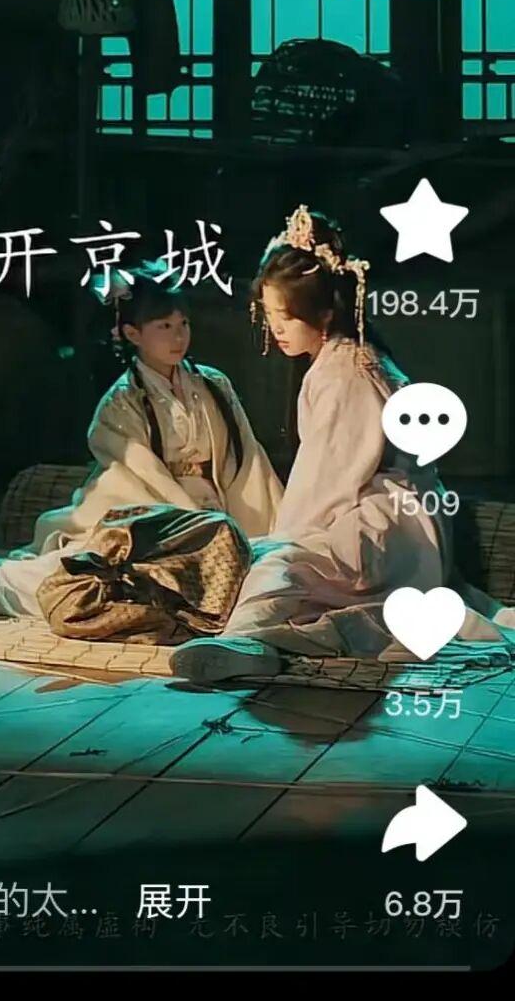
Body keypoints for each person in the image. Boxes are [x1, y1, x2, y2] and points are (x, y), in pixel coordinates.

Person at [172, 205, 515, 685]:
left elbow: (329, 478)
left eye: (286, 317)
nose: (276, 329)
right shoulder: (345, 359)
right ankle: (256, 640)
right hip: (390, 513)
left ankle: (248, 642)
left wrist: (284, 539)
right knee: (282, 563)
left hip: (384, 521)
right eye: (269, 315)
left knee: (281, 563)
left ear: (326, 312)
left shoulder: (346, 372)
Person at [0, 259, 282, 619]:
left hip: (216, 508)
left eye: (183, 324)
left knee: (265, 564)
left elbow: (244, 456)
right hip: (148, 510)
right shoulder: (122, 401)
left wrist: (253, 518)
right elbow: (140, 473)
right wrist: (190, 522)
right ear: (133, 334)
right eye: (164, 326)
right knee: (107, 569)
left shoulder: (214, 384)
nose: (178, 336)